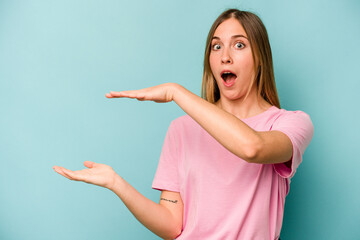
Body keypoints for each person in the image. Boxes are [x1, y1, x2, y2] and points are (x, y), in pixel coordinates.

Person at [53, 8, 314, 240]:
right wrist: (116, 183)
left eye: (239, 45)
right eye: (216, 46)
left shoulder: (290, 123)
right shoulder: (182, 129)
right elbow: (172, 226)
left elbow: (252, 148)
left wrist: (175, 92)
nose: (225, 56)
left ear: (260, 58)